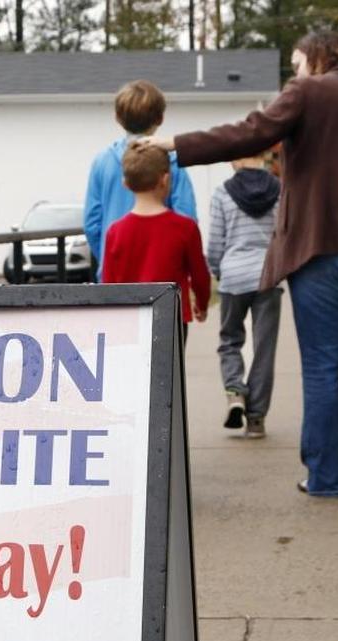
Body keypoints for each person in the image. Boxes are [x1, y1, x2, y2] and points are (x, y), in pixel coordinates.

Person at [151, 31, 338, 498]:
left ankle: (325, 479)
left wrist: (173, 144)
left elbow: (249, 133)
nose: (295, 73)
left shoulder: (308, 92)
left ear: (318, 59)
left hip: (322, 248)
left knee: (322, 368)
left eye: (298, 62)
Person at [84, 80, 197, 281]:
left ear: (117, 118)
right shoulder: (172, 163)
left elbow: (92, 224)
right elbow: (187, 219)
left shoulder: (102, 162)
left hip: (115, 274)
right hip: (164, 276)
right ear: (160, 118)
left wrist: (108, 256)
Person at [101, 141, 210, 338]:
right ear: (165, 179)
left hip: (129, 321)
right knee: (170, 369)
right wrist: (201, 304)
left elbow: (109, 284)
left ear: (125, 183)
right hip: (172, 318)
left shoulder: (114, 232)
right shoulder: (186, 228)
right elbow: (200, 275)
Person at [207, 152, 282, 439]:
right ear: (264, 156)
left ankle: (235, 391)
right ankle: (256, 419)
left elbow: (215, 241)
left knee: (230, 340)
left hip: (234, 276)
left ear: (234, 161)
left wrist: (218, 269)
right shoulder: (280, 190)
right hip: (267, 275)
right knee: (264, 348)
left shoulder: (222, 193)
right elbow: (284, 234)